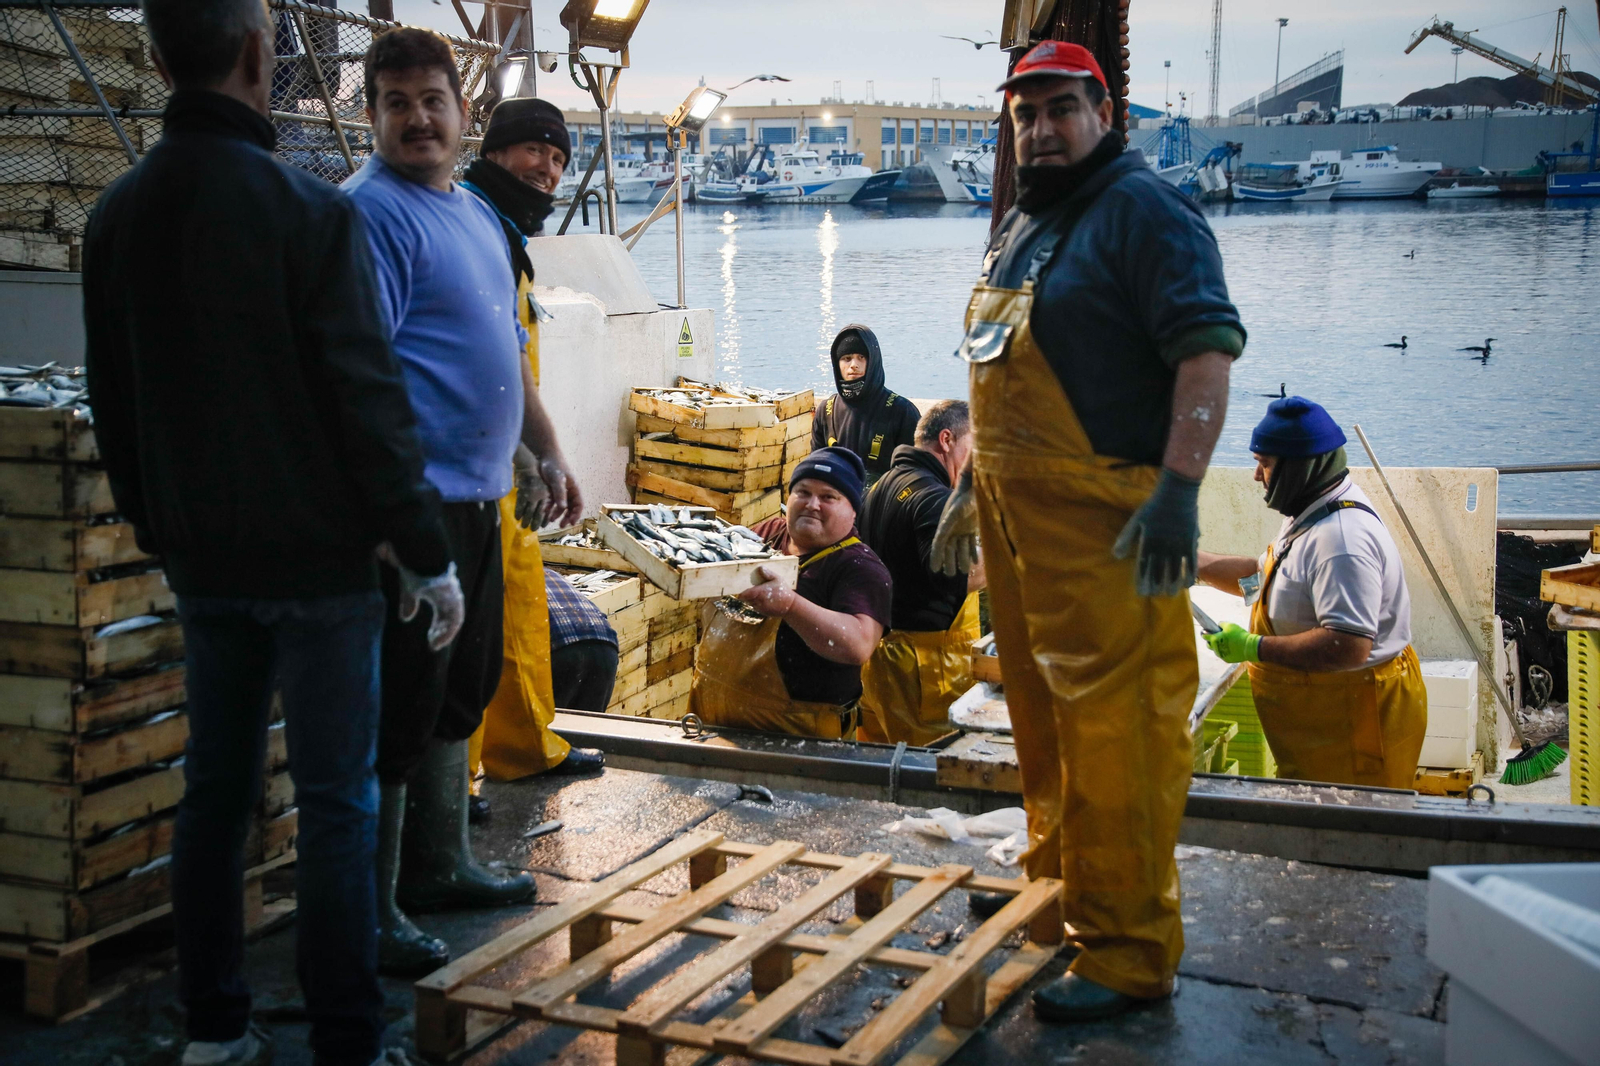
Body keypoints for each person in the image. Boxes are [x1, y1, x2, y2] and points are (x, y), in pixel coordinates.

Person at [83, 1, 459, 1062]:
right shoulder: (309, 216)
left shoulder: (116, 217)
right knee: (335, 800)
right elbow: (367, 406)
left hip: (204, 563)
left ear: (158, 61)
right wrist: (426, 553)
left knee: (215, 791)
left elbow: (115, 403)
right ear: (261, 55)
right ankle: (346, 1035)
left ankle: (215, 1029)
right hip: (322, 570)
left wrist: (164, 528)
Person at [931, 40, 1244, 1023]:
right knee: (1041, 719)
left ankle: (1126, 949)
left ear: (1104, 111)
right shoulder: (1028, 214)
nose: (1040, 130)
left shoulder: (1147, 211)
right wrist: (967, 475)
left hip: (1113, 528)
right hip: (1021, 523)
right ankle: (1061, 896)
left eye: (1060, 110)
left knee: (1118, 737)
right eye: (1024, 114)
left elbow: (1204, 354)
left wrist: (1180, 492)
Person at [344, 27, 582, 975]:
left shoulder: (478, 219)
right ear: (372, 116)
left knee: (456, 693)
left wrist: (549, 450)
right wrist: (391, 524)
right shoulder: (371, 216)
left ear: (460, 114)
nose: (416, 119)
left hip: (482, 502)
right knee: (396, 708)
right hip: (417, 513)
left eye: (431, 101)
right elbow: (359, 380)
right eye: (395, 103)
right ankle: (371, 904)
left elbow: (502, 354)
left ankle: (440, 863)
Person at [457, 95, 603, 814]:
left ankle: (521, 747)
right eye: (532, 151)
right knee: (476, 621)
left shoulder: (501, 227)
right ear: (491, 152)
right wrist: (529, 449)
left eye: (556, 157)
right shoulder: (477, 224)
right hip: (477, 455)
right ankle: (461, 775)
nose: (544, 167)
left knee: (515, 600)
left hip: (504, 449)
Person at [1197, 397, 1427, 789]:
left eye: (1266, 464)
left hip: (1354, 726)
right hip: (1323, 724)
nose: (1256, 475)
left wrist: (1253, 648)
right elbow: (1265, 579)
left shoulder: (1341, 541)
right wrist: (1193, 563)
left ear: (1300, 468)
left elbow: (1349, 643)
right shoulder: (1314, 509)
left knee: (1354, 835)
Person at [690, 447, 892, 738]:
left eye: (828, 497)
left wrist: (789, 605)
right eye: (803, 492)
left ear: (852, 510)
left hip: (794, 736)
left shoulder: (860, 568)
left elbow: (858, 645)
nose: (812, 504)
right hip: (710, 721)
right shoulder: (767, 534)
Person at [857, 401, 986, 745]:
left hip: (878, 665)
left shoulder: (881, 487)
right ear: (947, 439)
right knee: (926, 777)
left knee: (879, 774)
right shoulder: (933, 496)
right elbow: (954, 574)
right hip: (924, 676)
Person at [810, 325, 920, 484]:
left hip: (886, 503)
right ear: (837, 363)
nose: (853, 364)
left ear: (873, 361)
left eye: (861, 357)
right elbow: (816, 468)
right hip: (837, 502)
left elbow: (916, 476)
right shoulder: (827, 411)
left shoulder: (901, 411)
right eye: (846, 358)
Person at [546, 568, 621, 711]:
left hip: (561, 651)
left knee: (547, 728)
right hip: (604, 646)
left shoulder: (497, 581)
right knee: (587, 727)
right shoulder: (548, 572)